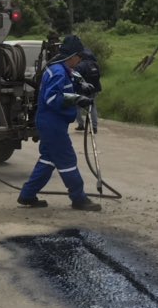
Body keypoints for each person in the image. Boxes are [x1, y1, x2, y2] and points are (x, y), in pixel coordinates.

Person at [18, 35, 101, 212]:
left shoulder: (62, 69)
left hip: (51, 122)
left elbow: (70, 80)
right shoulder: (58, 71)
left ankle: (27, 195)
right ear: (71, 56)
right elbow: (52, 98)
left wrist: (82, 85)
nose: (80, 60)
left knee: (48, 160)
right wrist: (77, 99)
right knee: (67, 159)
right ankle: (79, 198)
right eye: (79, 57)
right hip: (52, 124)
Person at [74, 48, 102, 133]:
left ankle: (81, 124)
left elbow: (76, 78)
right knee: (92, 107)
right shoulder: (95, 64)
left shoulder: (80, 65)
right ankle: (94, 127)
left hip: (82, 90)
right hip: (94, 89)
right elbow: (99, 76)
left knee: (77, 107)